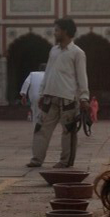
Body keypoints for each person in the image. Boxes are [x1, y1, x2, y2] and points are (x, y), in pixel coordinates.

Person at [27, 18, 89, 169]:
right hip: (50, 96)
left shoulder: (77, 53)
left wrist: (84, 97)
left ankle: (65, 161)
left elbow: (82, 76)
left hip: (68, 98)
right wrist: (42, 93)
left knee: (68, 131)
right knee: (41, 128)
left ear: (65, 31)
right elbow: (47, 73)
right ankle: (37, 159)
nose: (54, 33)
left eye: (56, 30)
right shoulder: (53, 51)